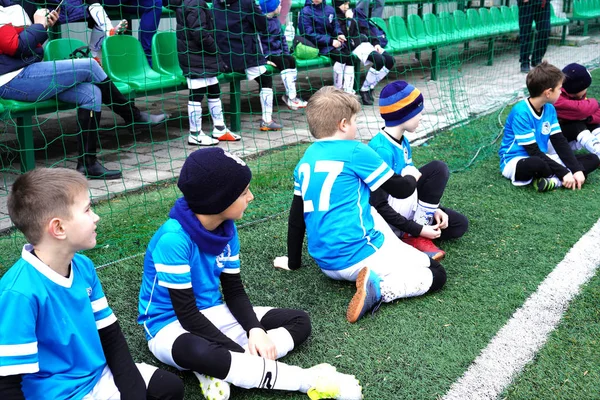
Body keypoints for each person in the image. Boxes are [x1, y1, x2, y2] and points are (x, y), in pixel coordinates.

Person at [137, 148, 363, 400]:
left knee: (299, 321)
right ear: (218, 200)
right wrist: (238, 353)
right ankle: (311, 380)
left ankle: (217, 369)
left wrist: (254, 330)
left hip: (211, 312)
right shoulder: (173, 239)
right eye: (244, 192)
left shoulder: (226, 229)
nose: (251, 197)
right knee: (198, 351)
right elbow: (187, 315)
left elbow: (233, 291)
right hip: (169, 326)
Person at [0, 168, 185, 400]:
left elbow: (110, 334)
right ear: (58, 228)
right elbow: (7, 385)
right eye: (87, 209)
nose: (96, 216)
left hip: (97, 376)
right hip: (58, 394)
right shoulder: (18, 293)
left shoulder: (83, 266)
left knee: (167, 387)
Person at [273, 87, 447, 324]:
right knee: (436, 274)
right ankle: (382, 291)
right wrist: (411, 174)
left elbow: (296, 218)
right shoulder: (356, 151)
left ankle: (395, 250)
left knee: (370, 209)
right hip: (358, 255)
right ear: (343, 124)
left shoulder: (306, 159)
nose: (357, 127)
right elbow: (403, 189)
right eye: (355, 121)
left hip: (325, 263)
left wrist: (293, 262)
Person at [0, 2, 167, 179]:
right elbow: (14, 46)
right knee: (89, 66)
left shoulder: (18, 6)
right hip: (11, 79)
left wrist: (45, 24)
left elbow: (28, 45)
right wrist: (39, 25)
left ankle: (88, 164)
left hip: (29, 71)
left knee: (91, 93)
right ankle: (132, 116)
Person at [368, 81, 468, 261]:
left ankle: (418, 227)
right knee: (438, 169)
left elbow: (410, 187)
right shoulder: (382, 150)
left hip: (405, 206)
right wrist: (419, 229)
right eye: (418, 111)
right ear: (404, 113)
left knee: (458, 225)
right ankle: (414, 236)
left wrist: (434, 209)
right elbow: (379, 205)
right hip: (387, 218)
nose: (421, 116)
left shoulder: (402, 141)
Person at [498, 62, 600, 192]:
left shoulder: (550, 109)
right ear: (548, 92)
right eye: (559, 89)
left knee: (592, 159)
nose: (561, 92)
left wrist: (576, 169)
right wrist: (564, 172)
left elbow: (559, 141)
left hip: (544, 156)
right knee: (536, 164)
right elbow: (533, 151)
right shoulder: (521, 112)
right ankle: (559, 178)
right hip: (517, 160)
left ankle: (553, 181)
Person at [172, 0, 240, 146]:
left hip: (202, 56)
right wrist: (215, 49)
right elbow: (199, 32)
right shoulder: (193, 4)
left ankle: (220, 129)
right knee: (197, 93)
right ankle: (195, 134)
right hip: (195, 56)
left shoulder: (196, 3)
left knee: (214, 89)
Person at [213, 0, 283, 131]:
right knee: (266, 77)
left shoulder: (215, 3)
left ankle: (218, 125)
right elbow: (262, 25)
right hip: (243, 56)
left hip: (222, 57)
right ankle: (267, 120)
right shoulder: (247, 3)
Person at [333, 0, 395, 105]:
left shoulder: (354, 12)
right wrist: (349, 19)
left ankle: (369, 86)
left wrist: (376, 43)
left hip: (365, 43)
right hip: (353, 47)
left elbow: (366, 29)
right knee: (379, 60)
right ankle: (364, 90)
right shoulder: (335, 18)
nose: (346, 6)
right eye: (344, 4)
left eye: (348, 4)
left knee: (390, 60)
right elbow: (347, 37)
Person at [258, 0, 308, 111]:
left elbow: (282, 39)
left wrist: (286, 53)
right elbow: (258, 43)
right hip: (267, 54)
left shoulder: (276, 21)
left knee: (291, 59)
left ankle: (290, 96)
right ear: (272, 7)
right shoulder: (261, 22)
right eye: (279, 4)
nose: (281, 6)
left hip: (278, 52)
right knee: (283, 62)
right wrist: (262, 59)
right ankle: (291, 97)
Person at [299, 0, 356, 94]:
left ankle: (348, 91)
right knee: (341, 57)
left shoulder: (329, 9)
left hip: (332, 43)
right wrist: (330, 41)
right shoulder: (306, 11)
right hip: (317, 46)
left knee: (350, 56)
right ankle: (337, 90)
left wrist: (339, 34)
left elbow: (335, 26)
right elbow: (307, 34)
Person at [46, 0, 128, 64]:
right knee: (98, 17)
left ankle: (109, 31)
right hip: (55, 10)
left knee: (98, 18)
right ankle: (108, 32)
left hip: (77, 6)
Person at [553, 63, 600, 159]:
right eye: (585, 87)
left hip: (567, 139)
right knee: (577, 124)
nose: (586, 89)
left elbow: (592, 111)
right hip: (552, 143)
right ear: (577, 89)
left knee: (592, 121)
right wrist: (596, 103)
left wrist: (588, 118)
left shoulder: (575, 94)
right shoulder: (556, 97)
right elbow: (581, 110)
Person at [517, 0, 550, 73]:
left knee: (545, 30)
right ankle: (524, 62)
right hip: (527, 4)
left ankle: (536, 59)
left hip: (543, 3)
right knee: (525, 33)